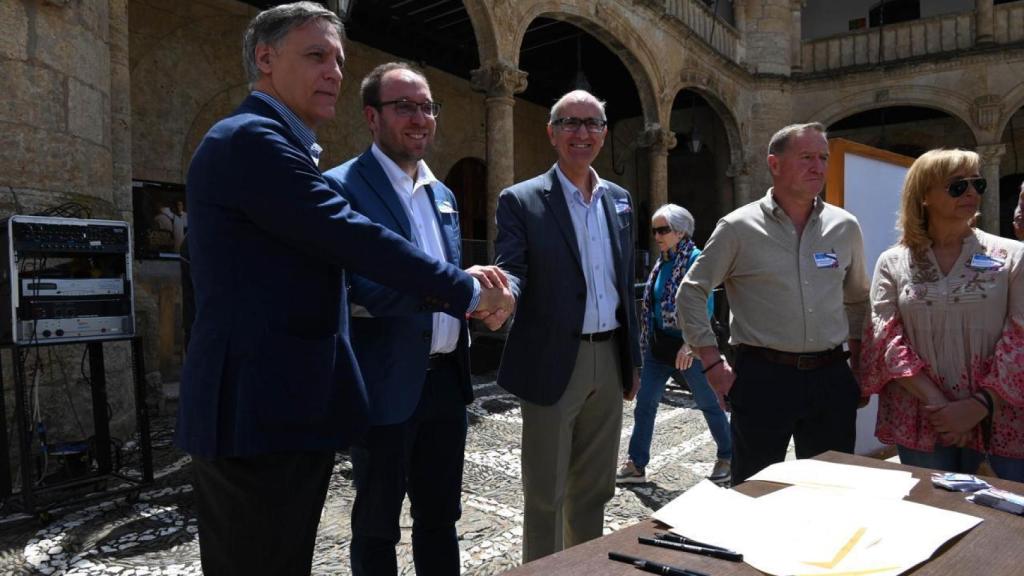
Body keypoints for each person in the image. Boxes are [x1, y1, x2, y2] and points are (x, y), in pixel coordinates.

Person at [176, 4, 510, 574]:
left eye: (338, 59)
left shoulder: (278, 143)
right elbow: (355, 238)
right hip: (255, 413)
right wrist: (468, 292)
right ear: (265, 58)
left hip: (284, 408)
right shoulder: (252, 140)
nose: (333, 71)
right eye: (315, 56)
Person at [322, 62, 507, 576]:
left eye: (428, 107)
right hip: (385, 381)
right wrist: (460, 289)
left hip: (445, 381)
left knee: (441, 517)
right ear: (371, 116)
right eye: (404, 106)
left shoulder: (442, 194)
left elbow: (448, 279)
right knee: (376, 524)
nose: (420, 118)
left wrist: (478, 297)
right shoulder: (342, 188)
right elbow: (362, 290)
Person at [678, 122, 870, 485]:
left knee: (832, 490)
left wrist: (860, 364)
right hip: (764, 377)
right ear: (774, 164)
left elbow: (858, 299)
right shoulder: (738, 227)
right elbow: (691, 291)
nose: (818, 167)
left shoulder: (845, 226)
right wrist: (711, 362)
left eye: (823, 158)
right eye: (806, 157)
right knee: (756, 489)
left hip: (830, 376)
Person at [494, 89, 641, 562]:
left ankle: (584, 569)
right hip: (552, 358)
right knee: (545, 493)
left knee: (595, 490)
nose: (582, 132)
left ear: (604, 133)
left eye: (593, 123)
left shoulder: (620, 200)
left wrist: (633, 360)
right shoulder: (521, 200)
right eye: (570, 123)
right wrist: (502, 294)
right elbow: (513, 268)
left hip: (609, 357)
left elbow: (625, 283)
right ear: (552, 133)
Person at [859, 149, 1024, 481]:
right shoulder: (893, 262)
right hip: (923, 414)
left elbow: (1020, 335)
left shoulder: (1013, 255)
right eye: (957, 186)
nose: (971, 192)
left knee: (1002, 510)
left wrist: (978, 406)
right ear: (924, 196)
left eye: (977, 184)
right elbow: (885, 337)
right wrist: (940, 406)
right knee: (931, 507)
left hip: (998, 415)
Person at [616, 204, 732, 486]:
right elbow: (654, 304)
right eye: (654, 230)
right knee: (645, 403)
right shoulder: (663, 262)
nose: (656, 236)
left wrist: (689, 344)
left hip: (688, 347)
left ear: (680, 232)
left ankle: (729, 456)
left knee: (709, 402)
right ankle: (636, 464)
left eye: (662, 230)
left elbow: (704, 304)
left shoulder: (695, 259)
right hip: (659, 347)